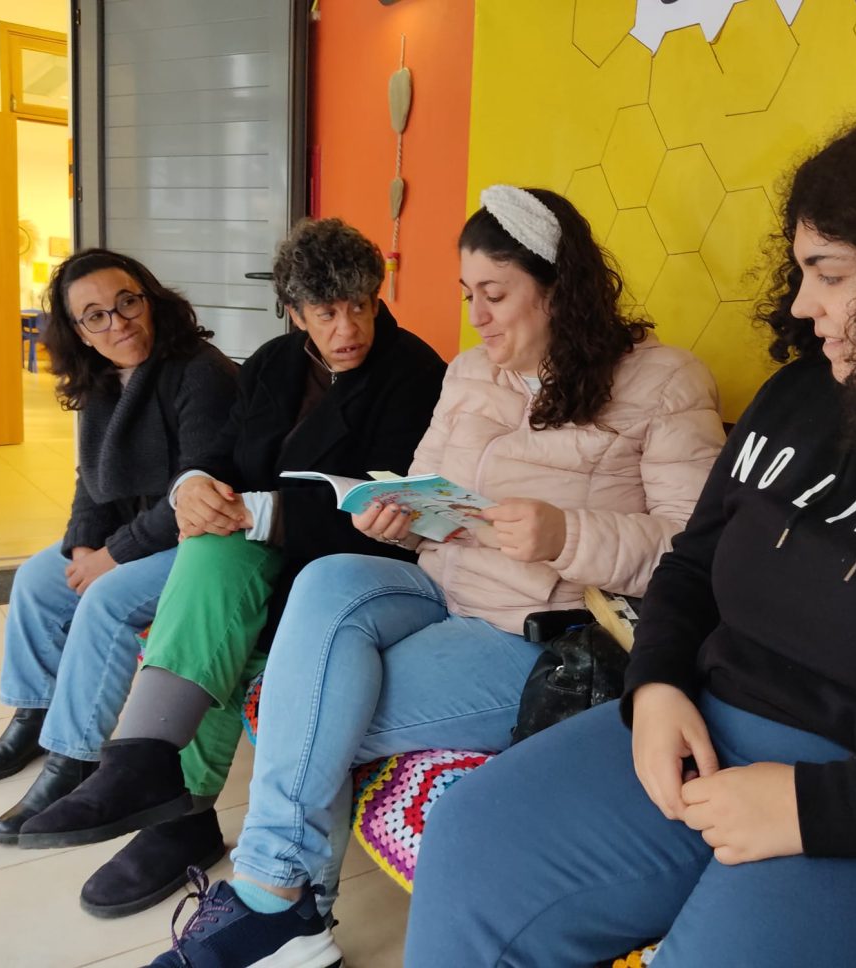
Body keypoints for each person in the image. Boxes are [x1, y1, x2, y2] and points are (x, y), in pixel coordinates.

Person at [403, 101, 856, 968]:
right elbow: (691, 566)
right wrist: (657, 685)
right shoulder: (801, 396)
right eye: (800, 271)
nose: (801, 304)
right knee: (473, 838)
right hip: (714, 728)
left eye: (830, 273)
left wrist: (816, 809)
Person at [134, 185, 726, 968]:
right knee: (328, 580)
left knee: (304, 705)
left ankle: (279, 900)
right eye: (467, 294)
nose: (477, 317)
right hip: (436, 585)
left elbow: (695, 552)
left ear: (560, 288)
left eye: (495, 295)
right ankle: (282, 904)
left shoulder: (665, 382)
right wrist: (398, 516)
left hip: (529, 627)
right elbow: (425, 485)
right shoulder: (471, 373)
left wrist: (566, 532)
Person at [11, 218, 446, 920]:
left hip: (343, 560)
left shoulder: (415, 373)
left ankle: (169, 798)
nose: (348, 328)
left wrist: (256, 512)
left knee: (223, 603)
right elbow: (223, 454)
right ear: (294, 311)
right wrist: (193, 487)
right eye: (327, 312)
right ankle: (152, 773)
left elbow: (384, 505)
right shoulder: (273, 362)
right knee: (207, 559)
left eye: (362, 305)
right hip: (254, 546)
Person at [0, 249, 239, 843]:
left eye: (126, 303)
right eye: (96, 316)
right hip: (137, 536)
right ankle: (36, 713)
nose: (118, 323)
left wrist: (111, 557)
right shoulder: (101, 380)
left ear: (150, 300)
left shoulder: (199, 371)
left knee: (106, 599)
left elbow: (199, 488)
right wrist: (81, 546)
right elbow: (90, 482)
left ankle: (75, 758)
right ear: (79, 332)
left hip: (202, 540)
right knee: (37, 580)